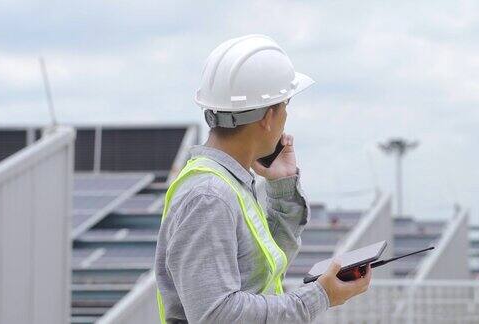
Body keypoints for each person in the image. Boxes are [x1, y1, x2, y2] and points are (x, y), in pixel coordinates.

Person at [154, 34, 371, 323]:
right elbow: (217, 314)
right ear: (268, 117)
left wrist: (282, 185)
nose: (286, 118)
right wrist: (320, 296)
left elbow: (259, 271)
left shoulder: (228, 184)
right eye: (285, 107)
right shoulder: (209, 196)